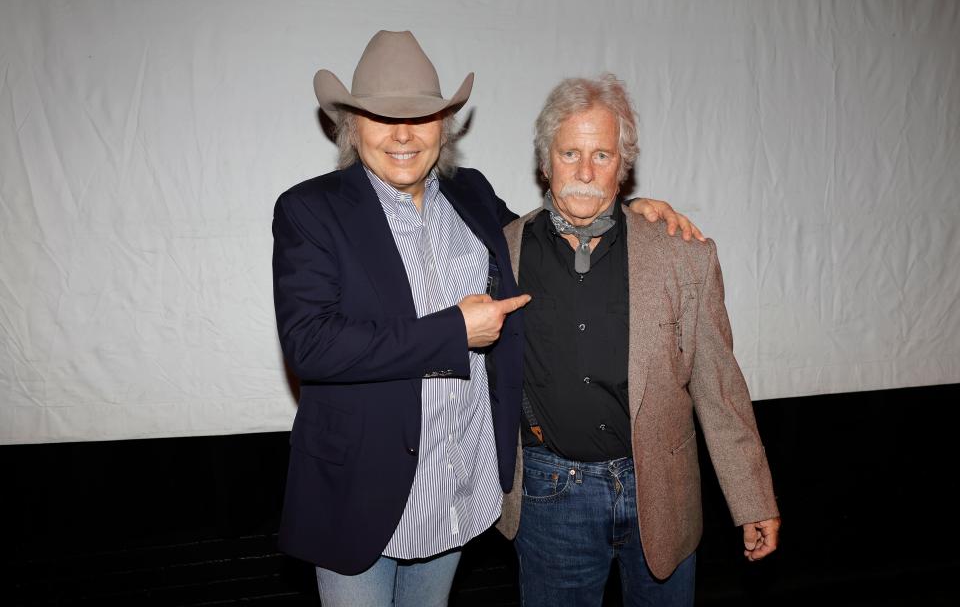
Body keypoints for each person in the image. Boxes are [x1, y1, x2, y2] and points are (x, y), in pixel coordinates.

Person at [272, 31, 700, 607]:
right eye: (380, 117)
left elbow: (546, 243)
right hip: (361, 492)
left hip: (455, 487)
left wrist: (624, 211)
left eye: (421, 117)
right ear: (351, 127)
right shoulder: (310, 209)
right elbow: (310, 345)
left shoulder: (469, 193)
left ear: (443, 126)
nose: (403, 134)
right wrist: (452, 331)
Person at [495, 75, 780, 607]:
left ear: (623, 167)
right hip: (550, 497)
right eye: (570, 153)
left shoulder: (683, 256)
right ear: (545, 162)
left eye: (602, 155)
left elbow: (719, 389)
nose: (584, 172)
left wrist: (752, 499)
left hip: (663, 492)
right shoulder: (502, 252)